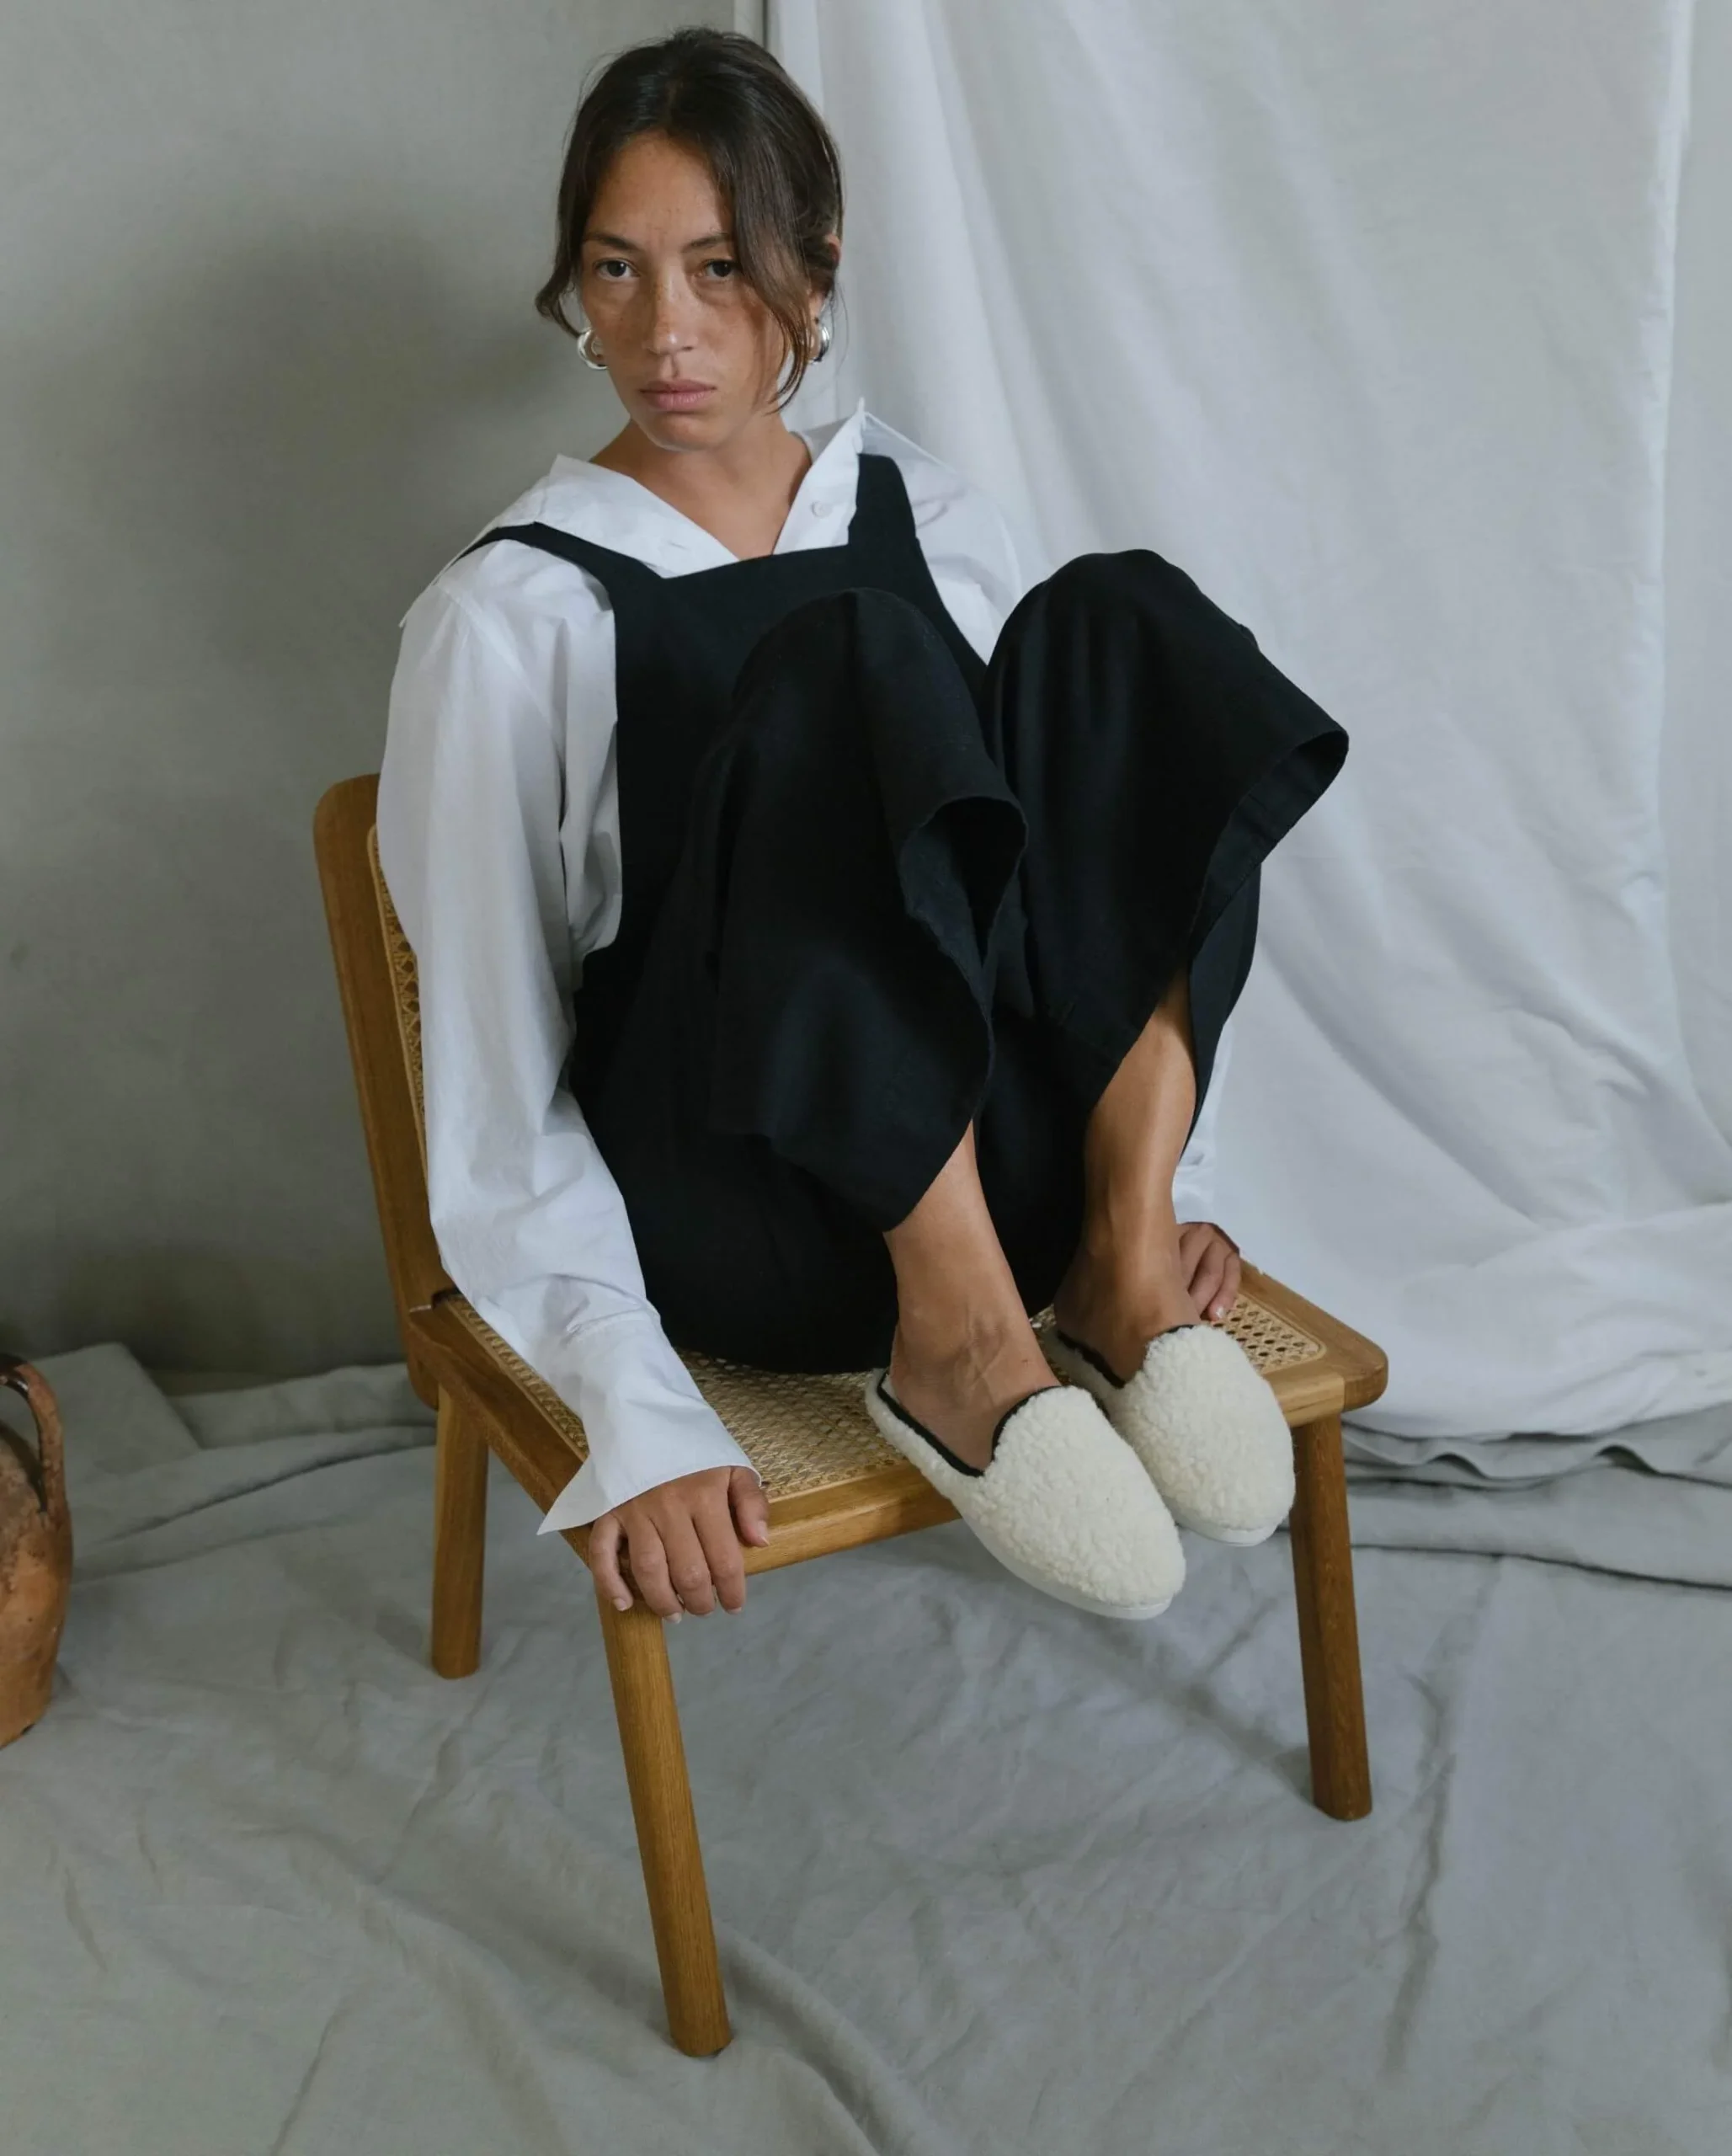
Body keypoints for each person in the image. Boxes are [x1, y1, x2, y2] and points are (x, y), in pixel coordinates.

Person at [378, 29, 1347, 1631]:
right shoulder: (508, 617)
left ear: (814, 271)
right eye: (617, 271)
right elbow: (495, 1071)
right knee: (843, 659)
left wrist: (1171, 1182)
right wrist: (631, 1404)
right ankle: (958, 1343)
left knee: (1121, 622)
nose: (667, 333)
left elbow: (1069, 879)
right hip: (748, 1215)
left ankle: (1115, 1261)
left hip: (1015, 1163)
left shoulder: (933, 513)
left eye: (720, 268)